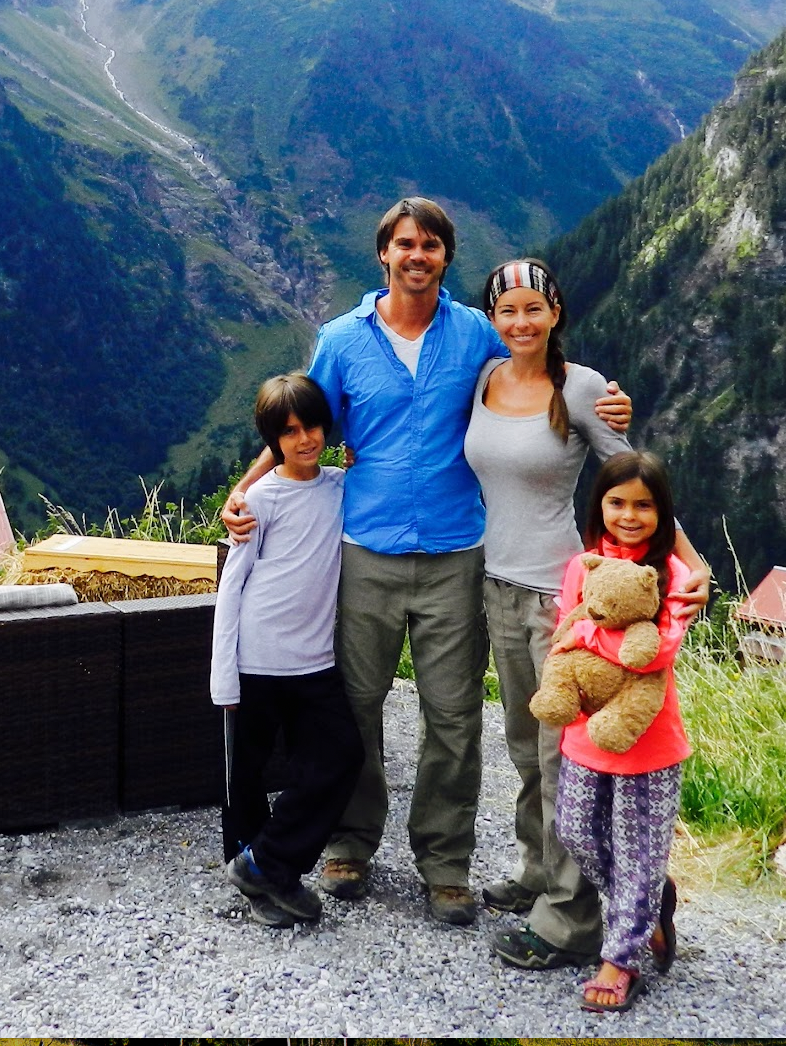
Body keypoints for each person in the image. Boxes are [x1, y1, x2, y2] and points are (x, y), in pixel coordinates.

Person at [221, 198, 633, 926]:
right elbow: (299, 420)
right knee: (358, 708)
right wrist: (245, 489)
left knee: (453, 716)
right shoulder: (342, 339)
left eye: (432, 245)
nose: (418, 255)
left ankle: (444, 865)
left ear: (446, 256)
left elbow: (536, 354)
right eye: (405, 243)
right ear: (383, 253)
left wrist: (605, 399)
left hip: (455, 554)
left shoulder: (474, 332)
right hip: (364, 552)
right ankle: (351, 844)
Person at [463, 259, 709, 969]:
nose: (520, 322)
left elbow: (632, 478)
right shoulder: (486, 379)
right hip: (497, 585)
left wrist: (690, 562)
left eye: (533, 309)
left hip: (561, 601)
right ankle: (541, 871)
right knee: (524, 742)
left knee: (560, 756)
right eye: (507, 310)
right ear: (493, 318)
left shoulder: (582, 387)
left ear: (556, 313)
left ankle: (569, 922)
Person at [211, 372, 364, 929]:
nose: (305, 439)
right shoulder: (259, 499)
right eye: (290, 431)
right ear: (272, 439)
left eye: (312, 426)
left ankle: (267, 863)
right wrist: (223, 677)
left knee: (340, 756)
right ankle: (259, 875)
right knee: (247, 776)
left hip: (314, 661)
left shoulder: (339, 487)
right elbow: (233, 585)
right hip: (257, 658)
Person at [552, 450, 691, 1012]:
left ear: (663, 512)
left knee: (637, 849)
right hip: (585, 733)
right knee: (576, 832)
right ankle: (650, 899)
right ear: (599, 505)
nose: (629, 516)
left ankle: (621, 961)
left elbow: (654, 653)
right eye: (617, 502)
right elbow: (561, 634)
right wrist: (579, 642)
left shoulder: (673, 575)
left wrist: (588, 635)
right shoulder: (582, 566)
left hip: (648, 739)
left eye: (644, 505)